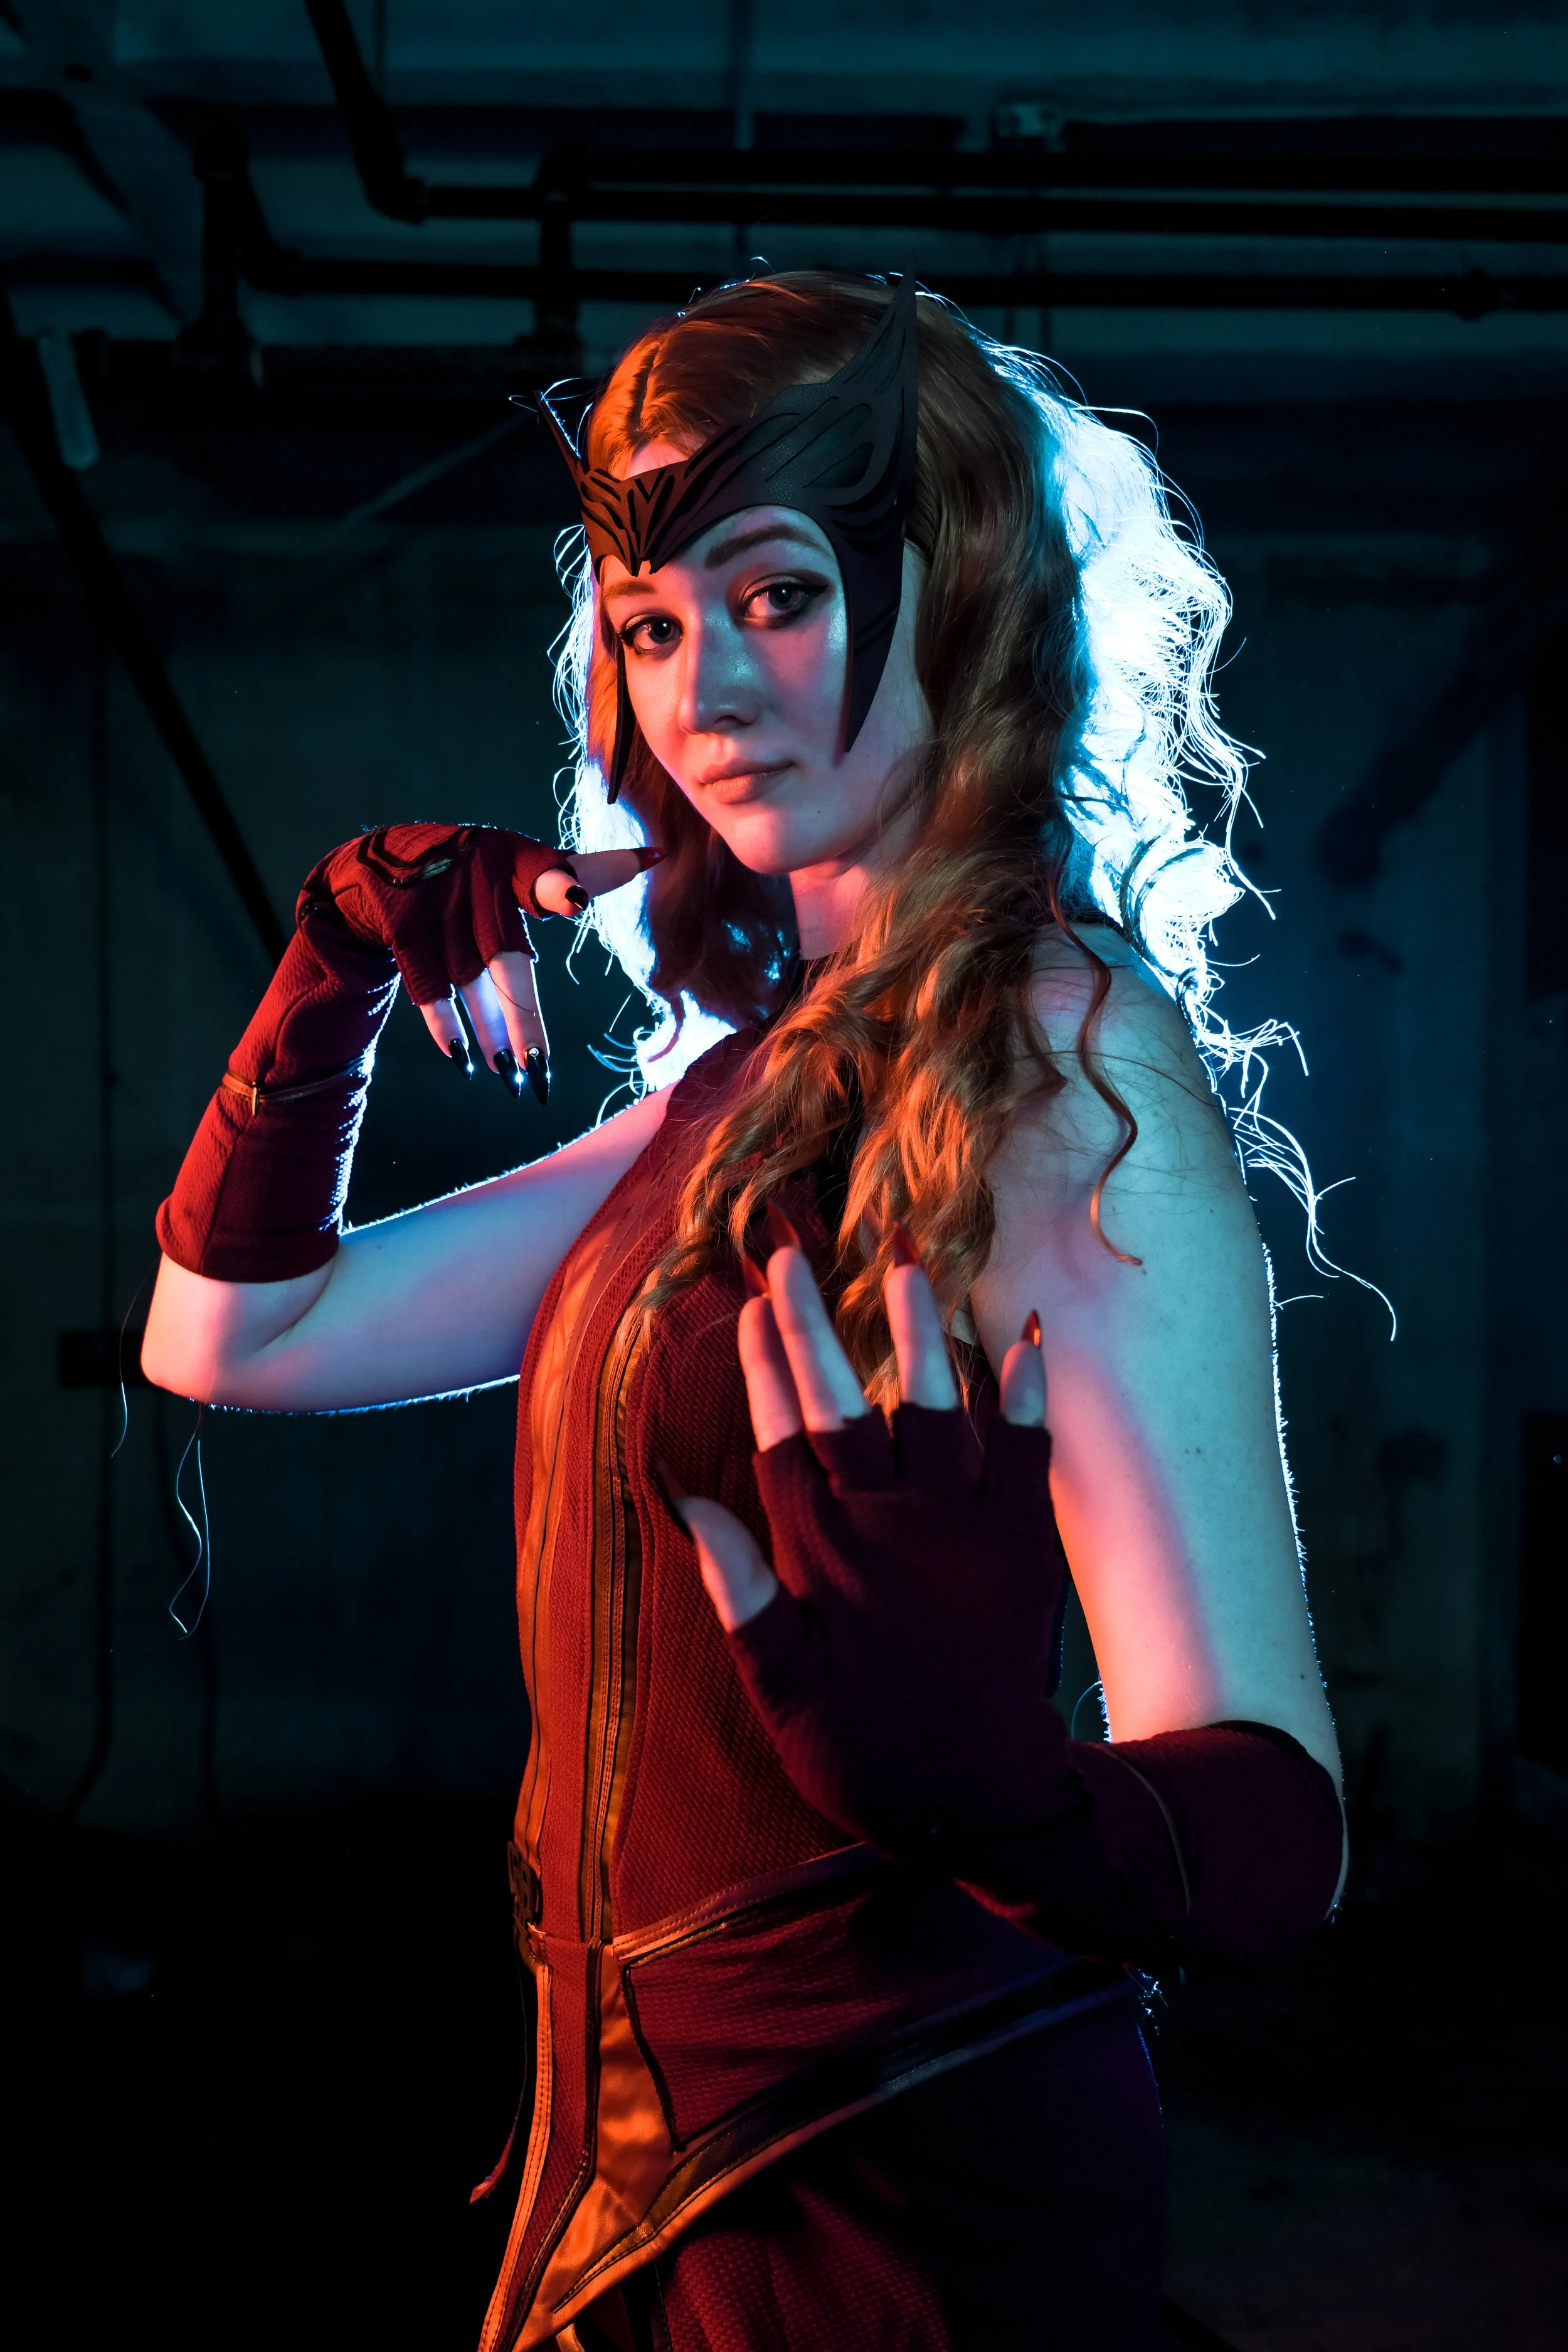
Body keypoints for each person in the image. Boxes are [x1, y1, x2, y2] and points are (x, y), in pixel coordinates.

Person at [142, 273, 1345, 2352]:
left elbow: (1276, 1836)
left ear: (958, 587)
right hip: (610, 2193)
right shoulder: (736, 1095)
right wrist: (333, 962)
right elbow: (234, 1339)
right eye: (648, 623)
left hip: (904, 2211)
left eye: (775, 596)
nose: (701, 693)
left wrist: (986, 1788)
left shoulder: (1065, 1067)